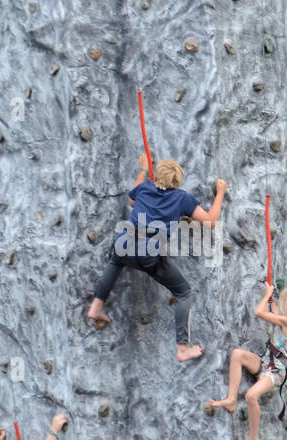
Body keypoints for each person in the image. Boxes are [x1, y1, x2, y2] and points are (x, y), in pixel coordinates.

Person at [88, 153, 227, 363]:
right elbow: (210, 222)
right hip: (149, 252)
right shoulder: (182, 198)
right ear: (177, 181)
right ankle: (182, 348)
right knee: (183, 291)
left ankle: (96, 307)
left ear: (157, 177)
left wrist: (143, 169)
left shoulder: (145, 188)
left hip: (125, 241)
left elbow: (132, 199)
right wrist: (220, 194)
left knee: (116, 261)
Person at [209, 282, 287, 440]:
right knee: (237, 354)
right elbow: (277, 320)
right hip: (266, 361)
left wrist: (266, 294)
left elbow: (259, 313)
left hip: (275, 371)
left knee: (251, 396)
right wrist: (273, 308)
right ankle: (232, 399)